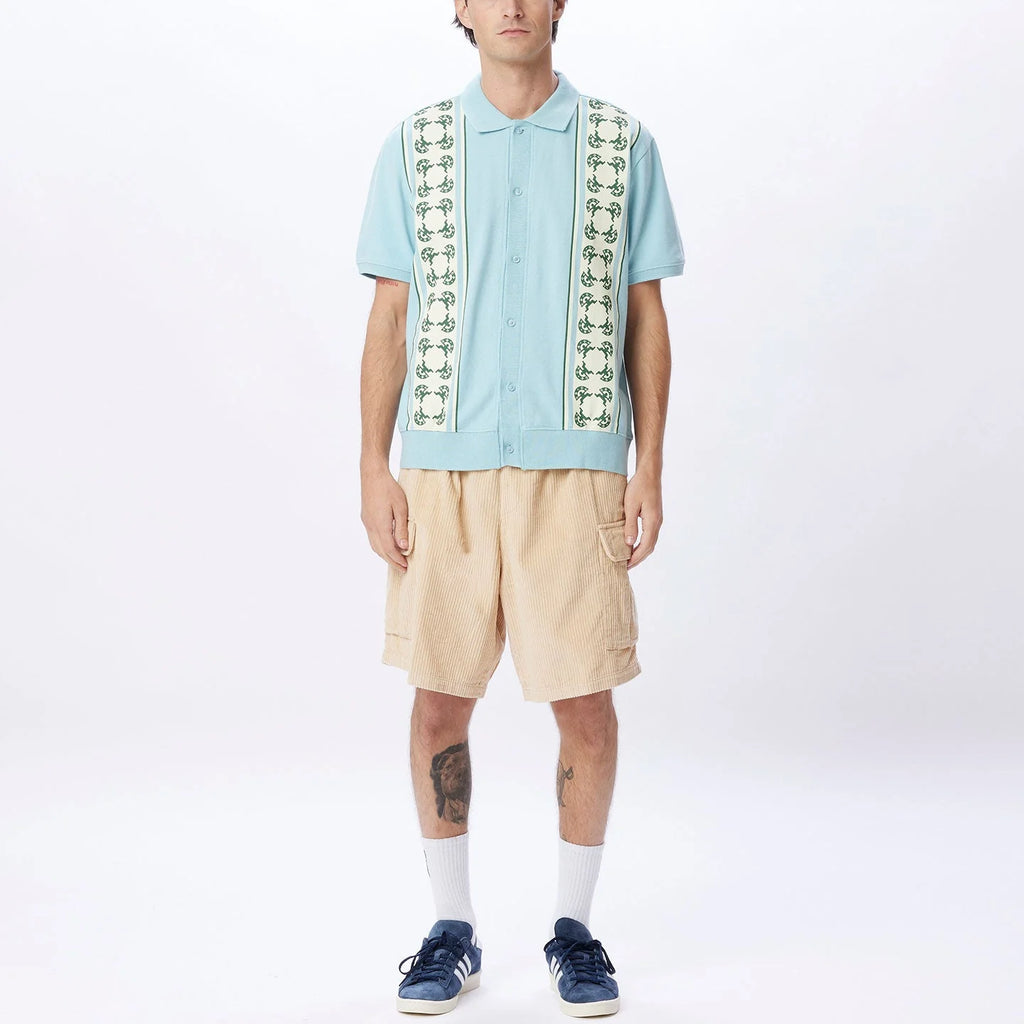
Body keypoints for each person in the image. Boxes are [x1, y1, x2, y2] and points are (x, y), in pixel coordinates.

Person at [355, 0, 684, 1015]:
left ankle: (574, 930)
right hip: (444, 471)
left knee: (585, 700)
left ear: (558, 4)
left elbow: (644, 312)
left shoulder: (621, 144)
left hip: (576, 472)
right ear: (458, 7)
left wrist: (649, 466)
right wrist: (373, 464)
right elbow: (391, 313)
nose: (510, 4)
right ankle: (450, 929)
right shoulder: (417, 145)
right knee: (437, 699)